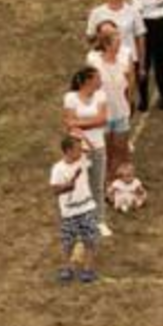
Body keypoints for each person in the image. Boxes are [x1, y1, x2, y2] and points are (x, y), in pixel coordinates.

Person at [62, 67, 112, 239]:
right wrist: (91, 122)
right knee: (78, 186)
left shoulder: (101, 95)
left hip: (98, 146)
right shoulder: (70, 97)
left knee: (98, 185)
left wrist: (80, 123)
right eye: (97, 78)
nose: (100, 80)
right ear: (87, 81)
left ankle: (100, 221)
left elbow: (103, 119)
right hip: (78, 149)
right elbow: (69, 123)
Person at [86, 24, 135, 187]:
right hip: (103, 115)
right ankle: (107, 181)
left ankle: (124, 181)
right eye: (116, 40)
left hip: (121, 112)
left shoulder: (123, 59)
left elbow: (129, 83)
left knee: (122, 149)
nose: (120, 42)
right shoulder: (94, 60)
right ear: (106, 44)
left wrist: (130, 101)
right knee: (106, 150)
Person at [50, 136, 99, 284]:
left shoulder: (82, 161)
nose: (81, 151)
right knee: (68, 242)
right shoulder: (58, 169)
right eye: (77, 149)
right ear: (68, 151)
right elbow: (54, 190)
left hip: (87, 208)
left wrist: (83, 137)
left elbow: (94, 152)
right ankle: (67, 268)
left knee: (90, 239)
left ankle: (88, 269)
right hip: (69, 213)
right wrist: (67, 187)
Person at [86, 0, 142, 65]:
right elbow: (90, 39)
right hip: (105, 61)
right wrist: (102, 34)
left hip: (129, 61)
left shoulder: (134, 12)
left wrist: (142, 65)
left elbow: (140, 39)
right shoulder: (96, 13)